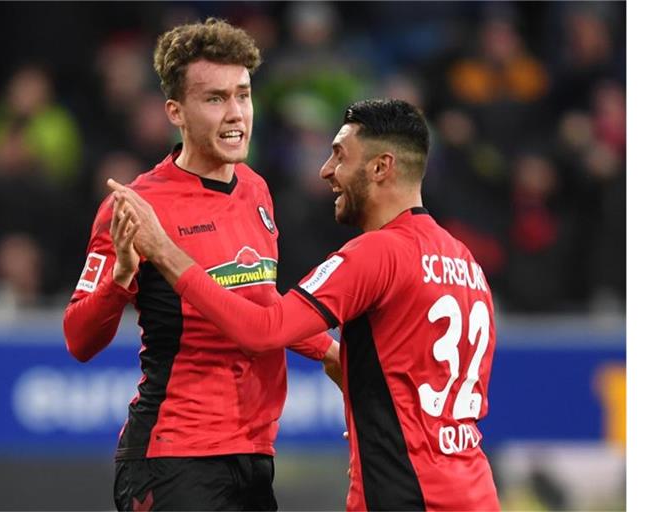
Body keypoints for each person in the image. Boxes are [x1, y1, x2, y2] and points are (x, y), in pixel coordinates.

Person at [110, 98, 501, 510]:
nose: (326, 171)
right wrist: (350, 377)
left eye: (339, 155)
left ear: (381, 167)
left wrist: (165, 251)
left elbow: (263, 331)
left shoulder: (377, 253)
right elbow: (415, 373)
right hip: (474, 491)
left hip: (407, 495)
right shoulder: (464, 261)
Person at [63, 18, 339, 511]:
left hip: (254, 454)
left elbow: (258, 302)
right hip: (174, 459)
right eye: (214, 99)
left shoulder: (256, 189)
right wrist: (122, 279)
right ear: (176, 111)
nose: (236, 114)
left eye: (243, 95)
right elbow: (78, 339)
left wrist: (330, 353)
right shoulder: (135, 206)